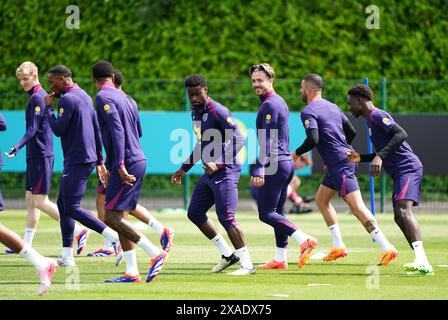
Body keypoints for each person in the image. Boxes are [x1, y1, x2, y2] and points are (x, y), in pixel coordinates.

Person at [293, 74, 397, 265]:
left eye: (301, 87)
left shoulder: (308, 111)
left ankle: (386, 247)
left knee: (357, 207)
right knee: (321, 200)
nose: (300, 91)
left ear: (308, 89)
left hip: (340, 164)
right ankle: (338, 245)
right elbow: (351, 132)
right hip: (339, 162)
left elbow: (313, 139)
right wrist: (340, 151)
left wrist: (296, 153)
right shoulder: (333, 106)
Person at [171, 74, 255, 275]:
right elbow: (202, 144)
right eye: (190, 95)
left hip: (226, 170)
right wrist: (184, 169)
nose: (194, 99)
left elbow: (239, 139)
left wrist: (218, 163)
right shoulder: (195, 112)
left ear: (206, 90)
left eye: (197, 94)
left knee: (226, 216)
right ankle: (228, 255)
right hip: (210, 172)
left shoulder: (217, 110)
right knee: (195, 212)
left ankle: (248, 265)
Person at [88, 69, 174, 266]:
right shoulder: (129, 100)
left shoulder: (103, 96)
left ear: (95, 79)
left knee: (111, 215)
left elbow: (118, 130)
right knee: (120, 212)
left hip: (124, 161)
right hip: (134, 157)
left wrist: (118, 163)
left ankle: (154, 252)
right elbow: (138, 133)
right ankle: (131, 270)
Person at [346, 84, 433, 275]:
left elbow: (401, 134)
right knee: (398, 214)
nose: (349, 107)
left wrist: (380, 156)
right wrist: (361, 157)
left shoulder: (377, 115)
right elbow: (383, 150)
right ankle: (421, 259)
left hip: (408, 168)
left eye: (350, 103)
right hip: (400, 171)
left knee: (403, 210)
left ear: (360, 101)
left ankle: (422, 260)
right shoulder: (370, 122)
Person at [4, 61, 88, 254]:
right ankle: (25, 245)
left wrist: (17, 146)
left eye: (26, 79)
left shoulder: (38, 97)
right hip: (35, 154)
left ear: (35, 75)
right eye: (21, 80)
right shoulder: (35, 96)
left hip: (41, 155)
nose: (23, 83)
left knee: (40, 201)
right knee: (30, 200)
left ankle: (78, 231)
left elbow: (33, 129)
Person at [44, 64, 121, 268]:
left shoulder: (67, 99)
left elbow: (58, 129)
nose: (51, 86)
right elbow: (96, 129)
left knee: (72, 207)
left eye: (52, 81)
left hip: (77, 159)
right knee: (63, 205)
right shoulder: (85, 96)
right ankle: (67, 256)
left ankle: (113, 237)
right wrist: (100, 161)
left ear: (62, 78)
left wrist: (48, 109)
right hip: (84, 159)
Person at [249, 63, 318, 270]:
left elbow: (267, 140)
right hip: (284, 163)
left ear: (271, 80)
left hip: (275, 164)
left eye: (260, 80)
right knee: (278, 211)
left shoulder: (270, 104)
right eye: (253, 81)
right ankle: (280, 258)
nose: (256, 84)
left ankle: (304, 239)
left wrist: (260, 167)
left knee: (266, 213)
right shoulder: (275, 102)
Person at [0, 111, 57, 296]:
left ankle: (43, 261)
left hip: (41, 154)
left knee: (39, 201)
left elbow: (2, 123)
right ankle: (41, 262)